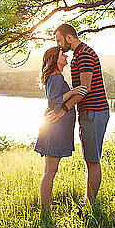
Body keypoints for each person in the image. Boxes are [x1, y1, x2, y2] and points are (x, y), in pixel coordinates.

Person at [46, 24, 110, 205]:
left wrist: (62, 111)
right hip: (88, 112)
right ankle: (89, 202)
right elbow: (78, 90)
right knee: (90, 159)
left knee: (92, 160)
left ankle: (90, 204)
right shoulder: (77, 56)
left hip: (94, 111)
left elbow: (84, 90)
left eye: (59, 40)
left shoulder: (85, 55)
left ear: (68, 37)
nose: (58, 45)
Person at [34, 46, 87, 211]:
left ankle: (45, 208)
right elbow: (54, 102)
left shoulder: (56, 76)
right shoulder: (56, 76)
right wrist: (73, 93)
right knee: (50, 171)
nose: (66, 56)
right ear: (55, 59)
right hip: (54, 129)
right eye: (62, 54)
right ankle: (45, 210)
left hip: (56, 128)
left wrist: (71, 92)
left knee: (51, 170)